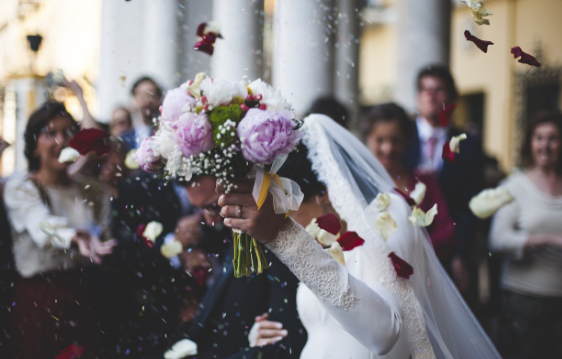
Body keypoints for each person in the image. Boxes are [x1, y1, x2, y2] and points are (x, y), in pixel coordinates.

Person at [219, 114, 501, 358]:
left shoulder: (388, 214)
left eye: (288, 212)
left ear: (325, 195)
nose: (290, 224)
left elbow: (384, 334)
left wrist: (286, 237)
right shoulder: (326, 248)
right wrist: (264, 334)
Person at [3, 101, 116, 359]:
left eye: (68, 132)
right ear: (34, 145)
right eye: (50, 133)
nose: (61, 141)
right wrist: (74, 235)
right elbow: (41, 225)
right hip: (39, 299)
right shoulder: (22, 188)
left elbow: (105, 234)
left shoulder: (92, 189)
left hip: (85, 294)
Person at [173, 175, 307, 359]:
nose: (209, 220)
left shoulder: (273, 238)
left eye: (213, 206)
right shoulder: (218, 233)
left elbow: (289, 340)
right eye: (199, 210)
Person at [404, 65, 484, 293]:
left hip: (451, 252)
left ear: (450, 97)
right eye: (424, 89)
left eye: (438, 89)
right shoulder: (400, 138)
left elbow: (472, 204)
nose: (430, 95)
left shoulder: (468, 144)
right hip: (406, 246)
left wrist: (460, 254)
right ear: (417, 96)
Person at [489, 111, 562, 358]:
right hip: (522, 302)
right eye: (538, 137)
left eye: (553, 138)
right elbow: (497, 241)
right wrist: (550, 240)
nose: (545, 145)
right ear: (529, 143)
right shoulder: (513, 187)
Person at [364, 103, 456, 265]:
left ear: (406, 141)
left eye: (395, 140)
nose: (388, 148)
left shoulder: (424, 182)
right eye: (380, 140)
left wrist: (413, 250)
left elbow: (446, 231)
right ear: (367, 140)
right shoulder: (359, 184)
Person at [121, 76, 163, 151]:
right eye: (141, 96)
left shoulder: (164, 133)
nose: (147, 101)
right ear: (133, 100)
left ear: (159, 100)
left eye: (152, 96)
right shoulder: (124, 138)